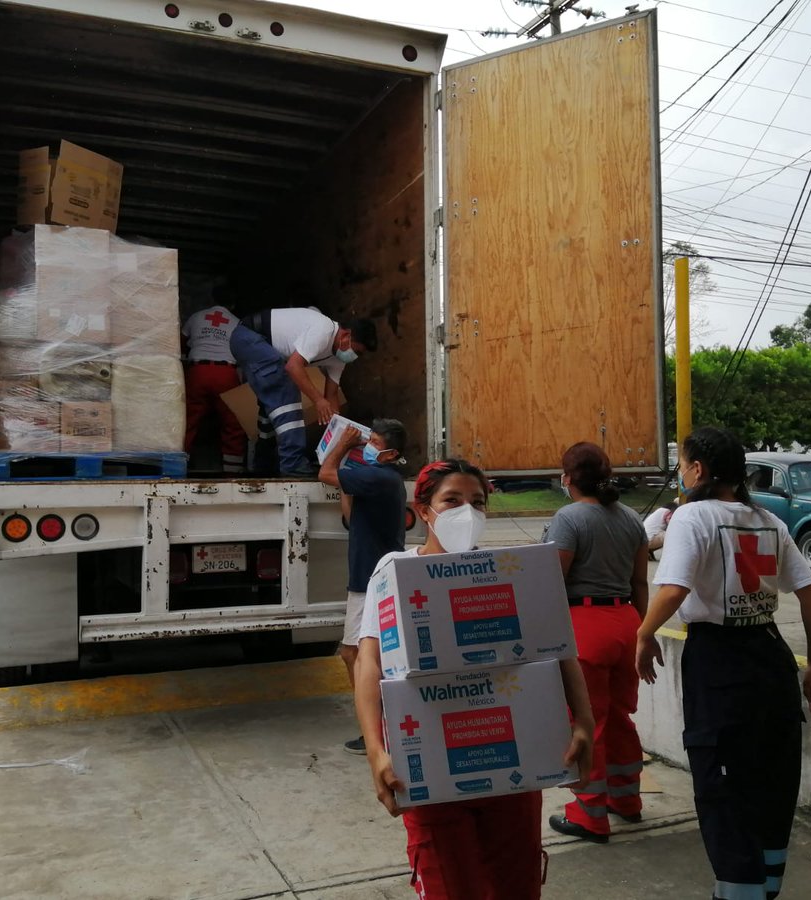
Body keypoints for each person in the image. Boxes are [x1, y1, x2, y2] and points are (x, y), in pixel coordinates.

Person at [354, 458, 595, 900]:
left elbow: (557, 647)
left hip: (510, 765)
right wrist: (376, 751)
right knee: (449, 886)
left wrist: (583, 720)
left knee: (516, 887)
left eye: (478, 502)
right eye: (452, 500)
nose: (467, 511)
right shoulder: (394, 570)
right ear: (424, 510)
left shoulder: (507, 570)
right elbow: (368, 662)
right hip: (432, 770)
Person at [636, 426, 811, 900]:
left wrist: (643, 633)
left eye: (683, 467)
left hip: (720, 661)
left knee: (723, 787)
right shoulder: (767, 520)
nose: (682, 475)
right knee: (771, 782)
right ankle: (766, 888)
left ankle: (738, 892)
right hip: (770, 655)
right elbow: (810, 593)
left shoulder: (691, 516)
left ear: (698, 469)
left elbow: (674, 588)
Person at [545, 442, 649, 844]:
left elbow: (552, 581)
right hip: (627, 622)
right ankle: (627, 799)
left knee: (589, 721)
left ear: (568, 478)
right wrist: (643, 632)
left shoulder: (568, 518)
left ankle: (589, 814)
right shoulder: (631, 518)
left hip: (586, 625)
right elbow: (639, 582)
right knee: (621, 716)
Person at [318, 419, 408, 755]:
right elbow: (349, 514)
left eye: (374, 442)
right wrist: (347, 475)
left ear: (391, 453)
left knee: (352, 653)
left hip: (369, 580)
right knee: (365, 654)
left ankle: (376, 729)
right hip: (369, 576)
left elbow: (325, 474)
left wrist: (341, 446)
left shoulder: (380, 477)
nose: (368, 446)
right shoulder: (377, 480)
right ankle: (380, 726)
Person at [230, 308, 377, 477]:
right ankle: (293, 465)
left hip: (260, 344)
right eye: (356, 351)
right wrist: (318, 401)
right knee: (286, 390)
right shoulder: (324, 331)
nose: (354, 357)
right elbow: (293, 366)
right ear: (346, 336)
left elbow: (331, 395)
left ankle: (264, 463)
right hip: (248, 337)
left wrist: (337, 430)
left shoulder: (338, 358)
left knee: (273, 403)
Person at [181, 305, 246, 474]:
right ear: (233, 304)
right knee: (232, 422)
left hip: (198, 372)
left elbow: (179, 344)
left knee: (187, 421)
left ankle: (179, 466)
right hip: (226, 374)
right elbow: (244, 351)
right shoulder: (237, 322)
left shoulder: (197, 316)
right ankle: (232, 472)